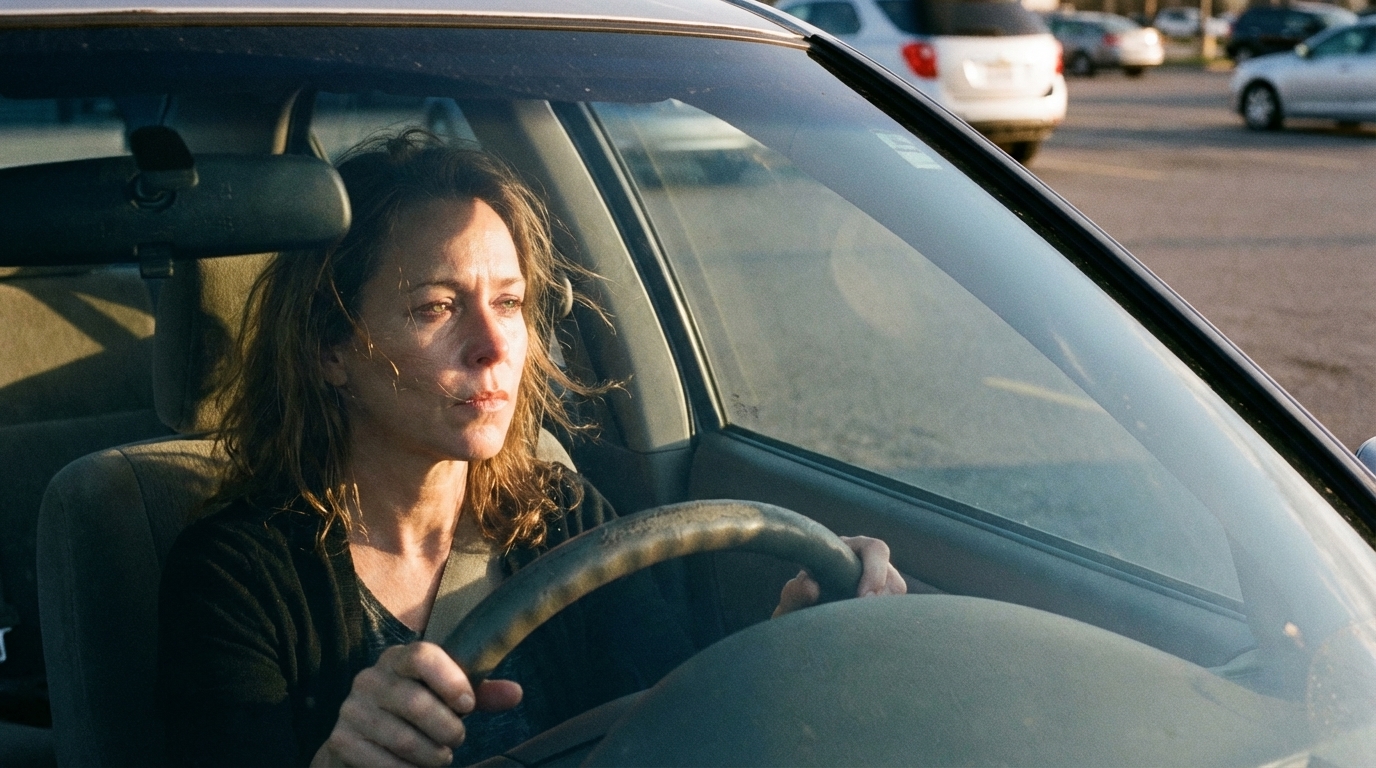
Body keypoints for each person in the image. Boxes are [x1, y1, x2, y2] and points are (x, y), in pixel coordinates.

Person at [155, 131, 906, 768]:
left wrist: (797, 638)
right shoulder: (236, 572)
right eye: (437, 307)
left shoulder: (561, 514)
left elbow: (675, 723)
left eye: (509, 303)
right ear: (329, 347)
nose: (493, 347)